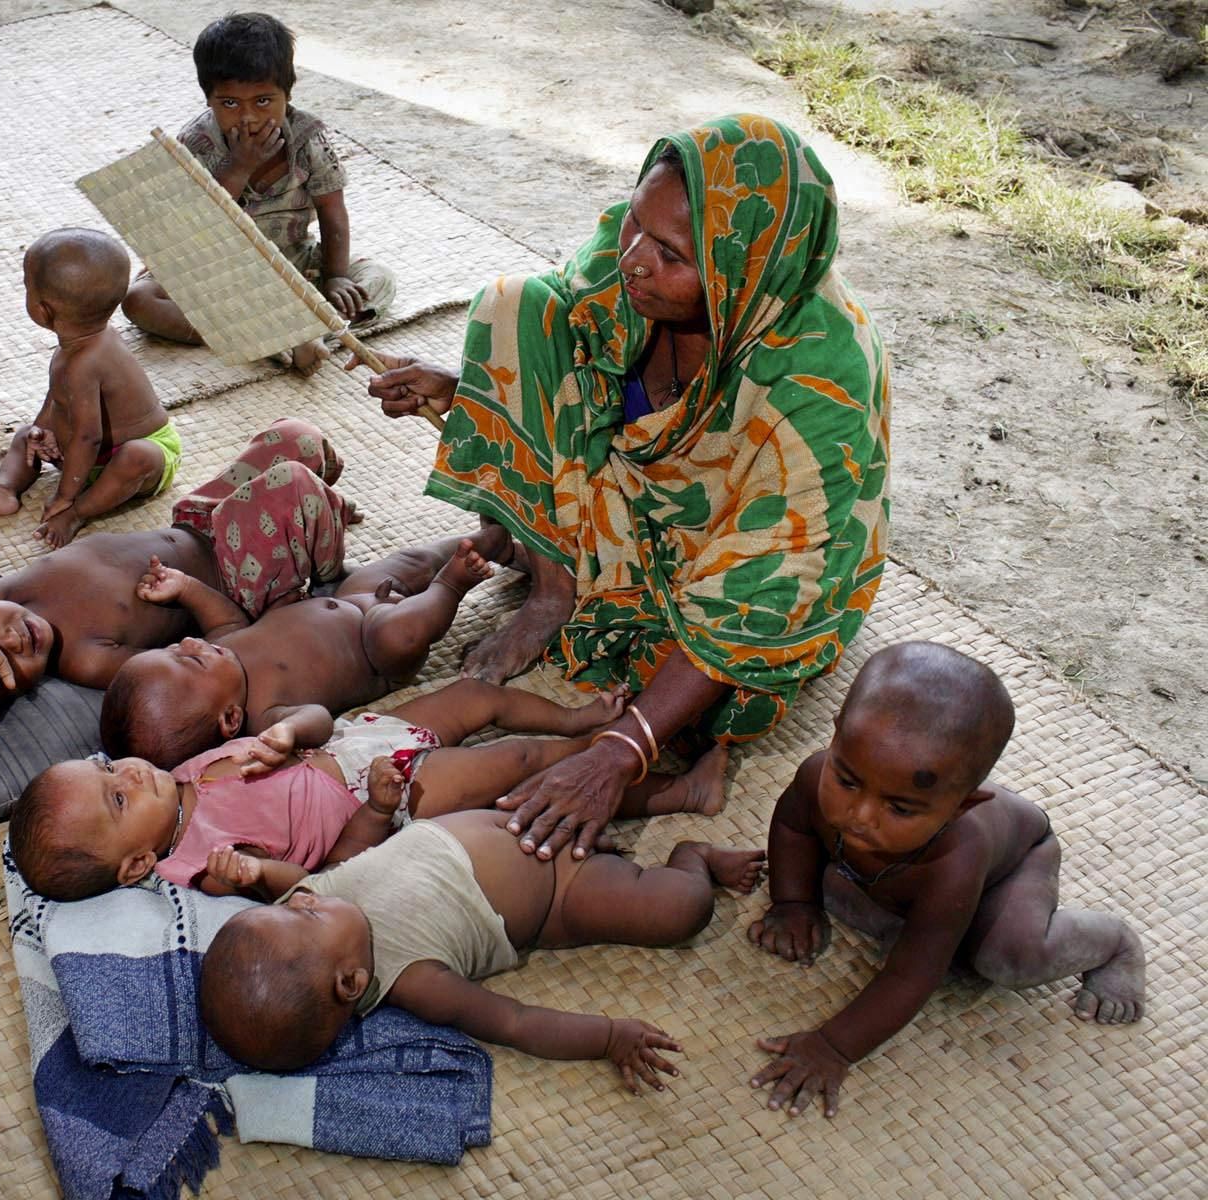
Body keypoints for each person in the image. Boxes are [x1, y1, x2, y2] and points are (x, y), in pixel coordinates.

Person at [364, 114, 891, 863]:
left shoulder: (820, 380)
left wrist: (621, 748)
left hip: (741, 554)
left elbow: (766, 577)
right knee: (517, 304)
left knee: (722, 692)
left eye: (671, 254)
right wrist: (468, 388)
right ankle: (552, 587)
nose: (634, 260)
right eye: (635, 225)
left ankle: (555, 569)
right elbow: (565, 334)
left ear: (741, 271)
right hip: (634, 495)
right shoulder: (639, 252)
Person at [745, 642, 1145, 1118]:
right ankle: (916, 908)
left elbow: (913, 977)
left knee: (1004, 956)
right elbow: (792, 827)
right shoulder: (816, 775)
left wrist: (834, 1046)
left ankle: (1114, 942)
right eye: (848, 780)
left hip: (1015, 865)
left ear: (962, 807)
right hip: (909, 877)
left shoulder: (957, 856)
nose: (861, 815)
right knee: (820, 883)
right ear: (835, 737)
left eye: (899, 806)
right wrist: (793, 903)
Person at [12, 676, 729, 901]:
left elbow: (314, 719)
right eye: (116, 799)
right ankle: (667, 789)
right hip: (385, 794)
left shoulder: (177, 772)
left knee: (476, 695)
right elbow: (311, 885)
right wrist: (257, 872)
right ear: (137, 864)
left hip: (355, 738)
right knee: (522, 767)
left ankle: (579, 717)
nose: (127, 773)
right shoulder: (198, 865)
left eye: (106, 768)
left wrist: (292, 732)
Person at [196, 808, 766, 1079]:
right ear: (351, 982)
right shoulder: (413, 979)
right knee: (679, 910)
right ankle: (695, 858)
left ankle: (676, 784)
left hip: (518, 813)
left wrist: (253, 872)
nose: (303, 898)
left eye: (294, 903)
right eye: (306, 913)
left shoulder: (311, 901)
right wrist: (609, 1037)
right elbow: (514, 1022)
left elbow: (288, 880)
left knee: (572, 770)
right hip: (560, 890)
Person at [0, 419, 350, 737]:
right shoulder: (87, 661)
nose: (9, 640)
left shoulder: (3, 592)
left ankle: (314, 512)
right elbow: (201, 662)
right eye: (3, 668)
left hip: (196, 522)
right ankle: (320, 552)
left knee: (296, 438)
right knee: (292, 484)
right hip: (236, 575)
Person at [121, 11, 395, 375]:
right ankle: (284, 337)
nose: (248, 117)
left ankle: (285, 336)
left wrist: (334, 276)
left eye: (263, 101)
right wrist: (239, 168)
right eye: (230, 103)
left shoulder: (307, 137)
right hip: (213, 270)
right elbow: (193, 228)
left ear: (288, 92)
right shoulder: (197, 143)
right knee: (139, 299)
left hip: (291, 266)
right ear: (209, 99)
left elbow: (333, 212)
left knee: (376, 278)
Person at [101, 532, 504, 770]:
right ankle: (451, 584)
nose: (189, 642)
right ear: (230, 719)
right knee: (402, 635)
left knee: (412, 560)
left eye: (173, 646)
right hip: (376, 650)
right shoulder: (265, 717)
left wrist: (187, 588)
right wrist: (290, 733)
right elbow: (319, 721)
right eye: (188, 658)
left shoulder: (221, 648)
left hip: (354, 597)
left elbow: (225, 621)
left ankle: (493, 542)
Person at [0, 229, 180, 547]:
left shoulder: (85, 361)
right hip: (86, 458)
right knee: (27, 434)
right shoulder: (77, 346)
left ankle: (79, 513)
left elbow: (88, 436)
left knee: (139, 456)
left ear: (44, 311)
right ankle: (5, 488)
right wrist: (42, 430)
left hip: (135, 452)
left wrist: (65, 495)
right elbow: (58, 397)